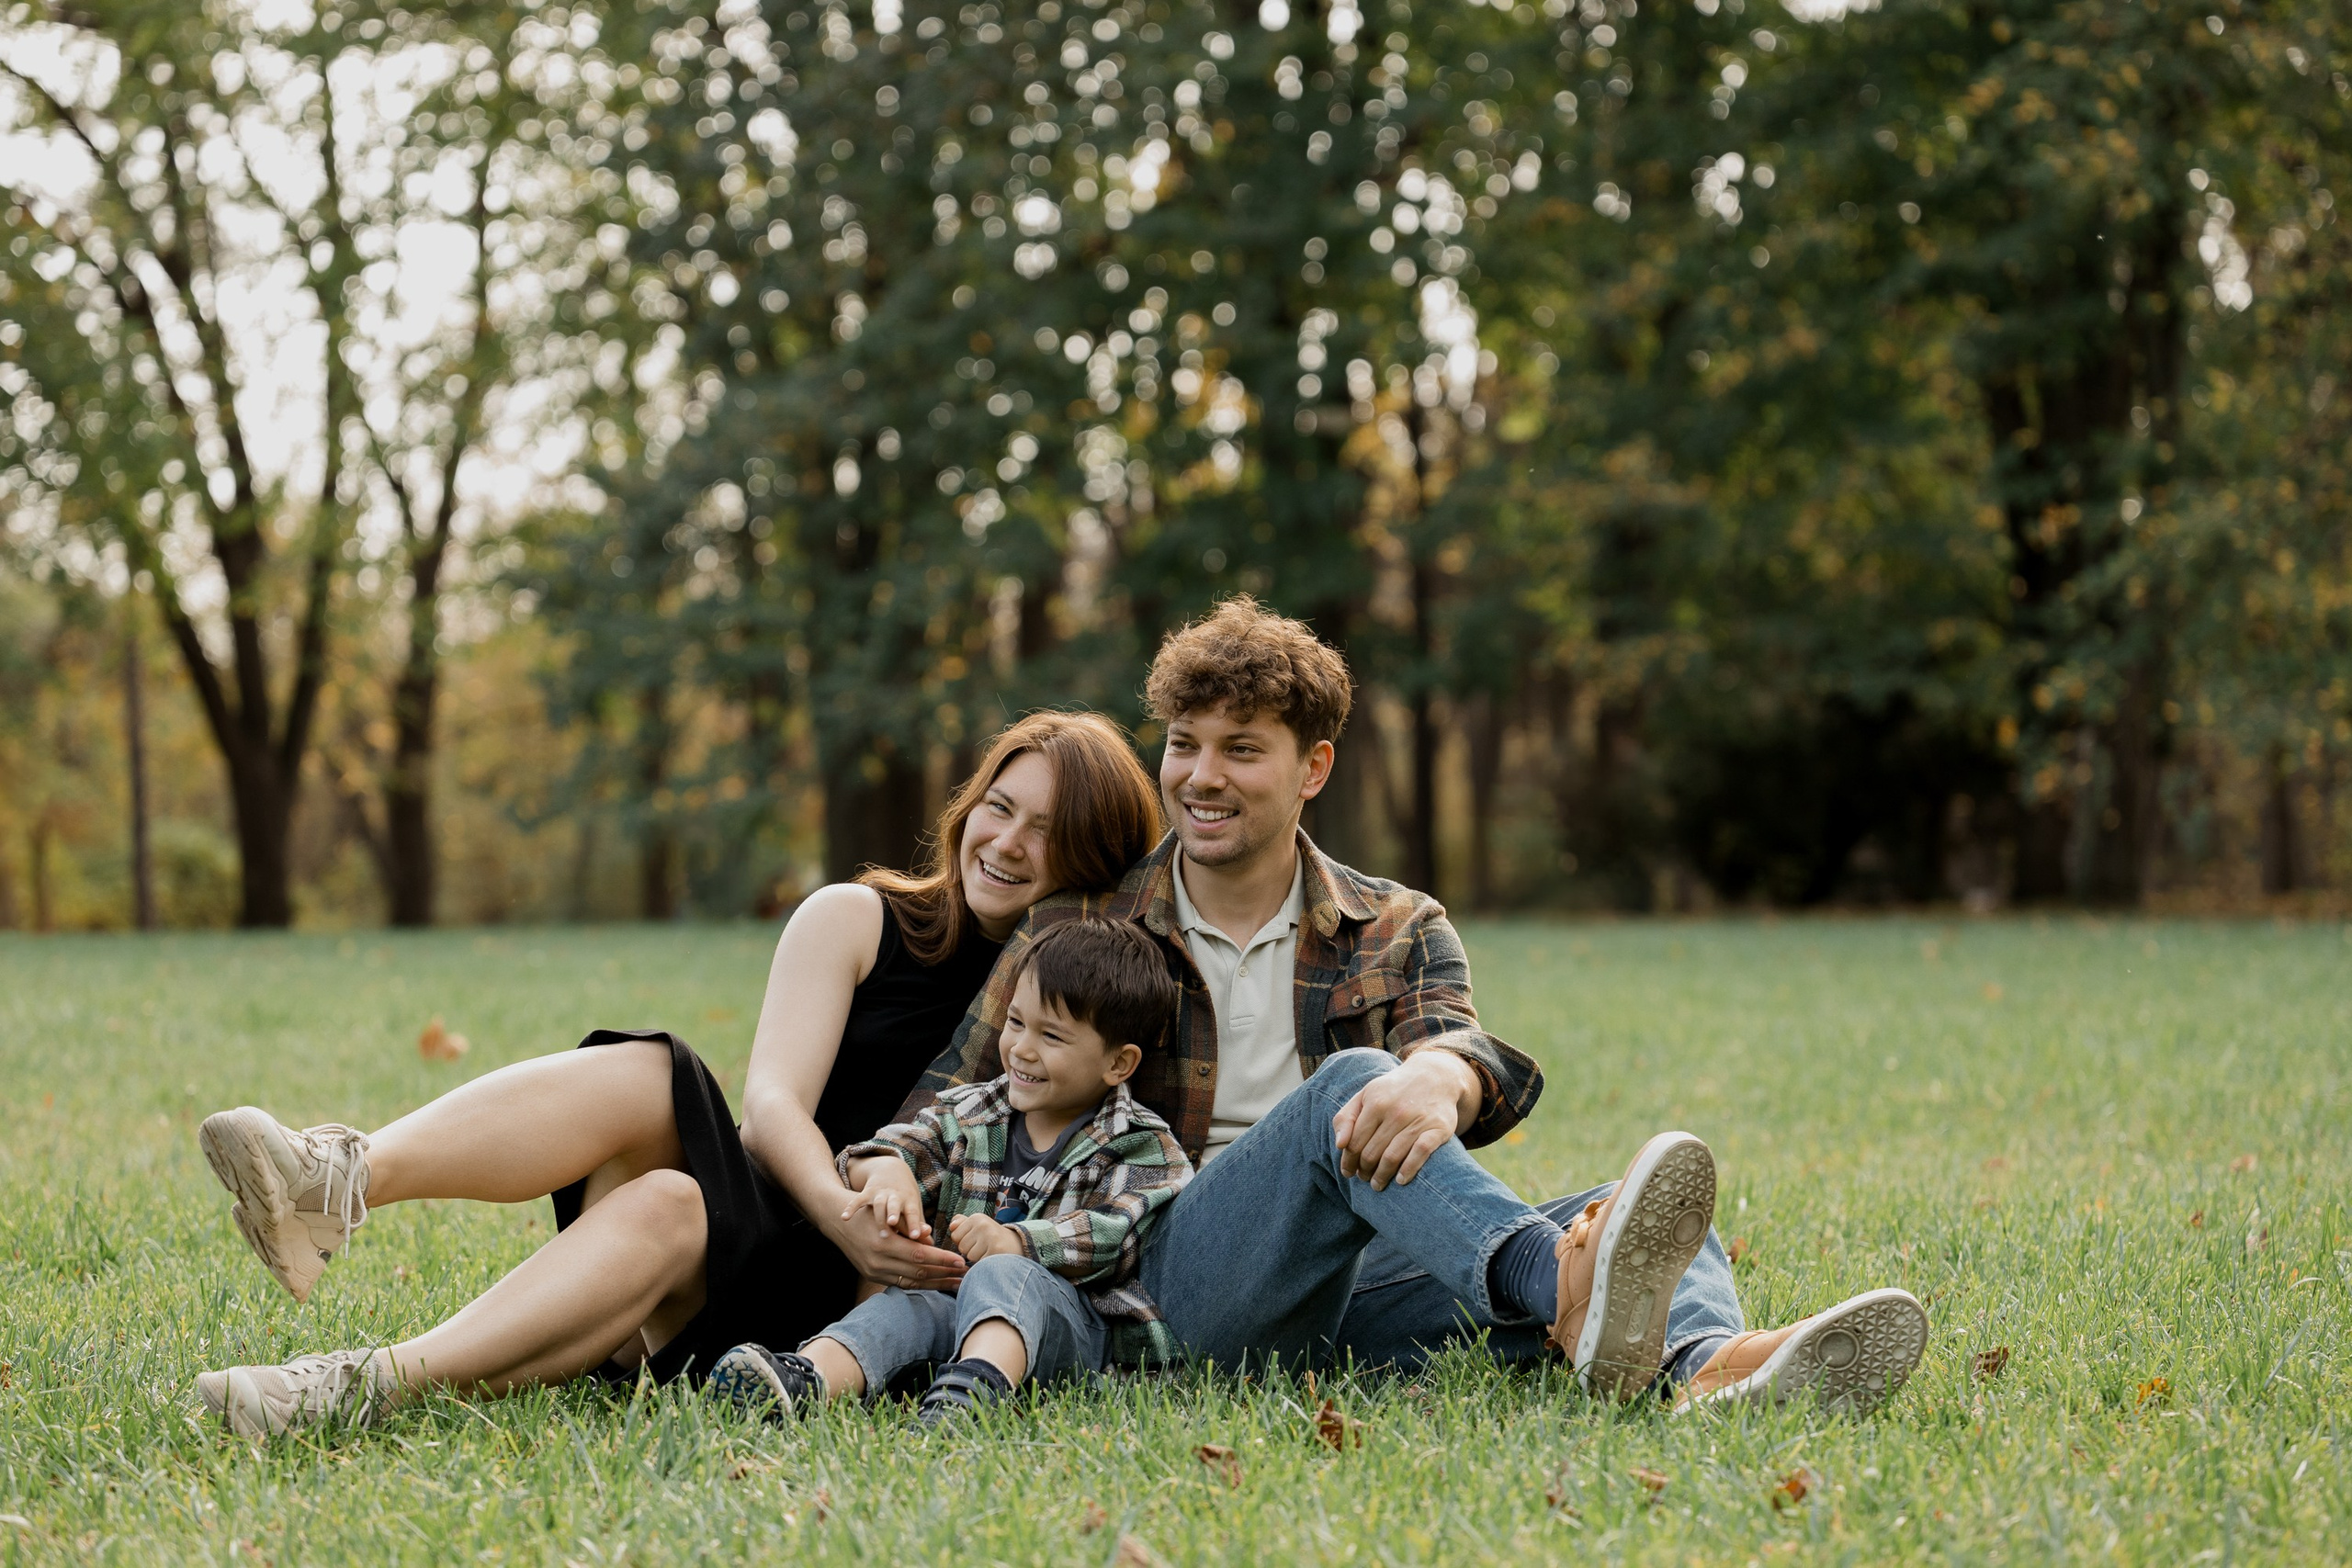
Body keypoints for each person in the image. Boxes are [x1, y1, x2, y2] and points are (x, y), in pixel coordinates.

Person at [910, 598, 1929, 1413]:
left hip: (1348, 1295)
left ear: (1313, 768)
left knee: (1631, 1211)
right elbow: (940, 1109)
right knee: (1358, 1086)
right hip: (1166, 1288)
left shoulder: (1395, 923)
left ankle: (1706, 1369)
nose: (1201, 777)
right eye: (1184, 744)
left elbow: (1454, 1047)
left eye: (1241, 748)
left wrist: (1444, 1072)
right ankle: (1551, 1280)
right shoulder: (1080, 928)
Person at [190, 711, 1163, 1438]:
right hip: (782, 1221)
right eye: (999, 806)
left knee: (667, 1200)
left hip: (868, 1317)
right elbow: (770, 1107)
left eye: (1047, 831)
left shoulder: (1076, 999)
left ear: (1089, 859)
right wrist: (837, 1208)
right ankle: (337, 1183)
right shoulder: (855, 919)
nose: (1007, 842)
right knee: (654, 1077)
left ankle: (352, 1385)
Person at [706, 919, 1190, 1426]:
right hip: (954, 1310)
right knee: (905, 1306)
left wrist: (1021, 1244)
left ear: (1119, 1063)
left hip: (1074, 1335)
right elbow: (900, 1144)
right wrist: (885, 1169)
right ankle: (804, 1380)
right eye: (1016, 1023)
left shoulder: (1141, 1145)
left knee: (1003, 1274)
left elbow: (1119, 1235)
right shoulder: (974, 1112)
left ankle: (974, 1393)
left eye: (1052, 1036)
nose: (1022, 1048)